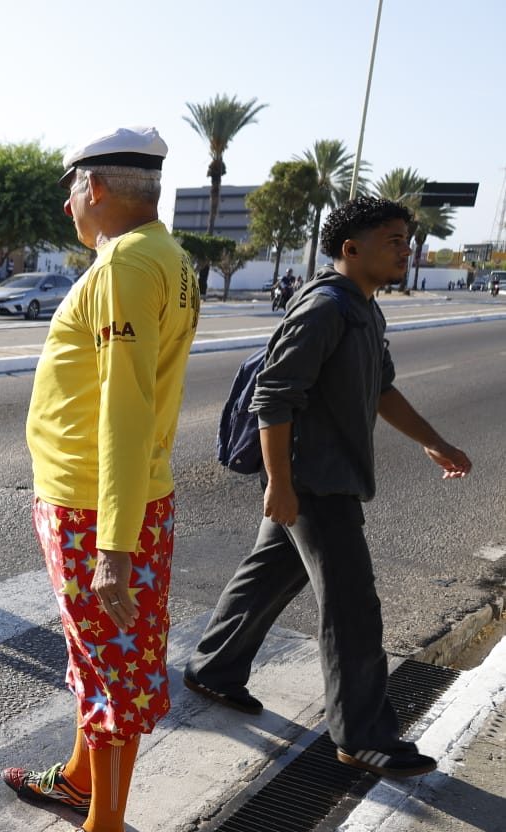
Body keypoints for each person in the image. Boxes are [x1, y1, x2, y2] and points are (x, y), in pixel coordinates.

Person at [184, 196, 472, 778]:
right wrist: (281, 485)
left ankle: (213, 668)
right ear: (352, 248)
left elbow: (383, 389)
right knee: (352, 611)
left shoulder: (364, 308)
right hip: (313, 482)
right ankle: (363, 735)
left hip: (322, 476)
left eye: (406, 241)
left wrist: (433, 441)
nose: (406, 251)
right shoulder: (323, 308)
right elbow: (273, 395)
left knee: (269, 573)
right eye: (394, 241)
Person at [3, 126, 199, 832]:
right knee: (97, 657)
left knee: (113, 667)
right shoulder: (166, 258)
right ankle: (85, 779)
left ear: (100, 189)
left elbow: (125, 406)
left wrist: (114, 547)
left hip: (99, 510)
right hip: (97, 501)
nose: (65, 202)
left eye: (72, 186)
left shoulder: (124, 266)